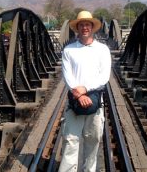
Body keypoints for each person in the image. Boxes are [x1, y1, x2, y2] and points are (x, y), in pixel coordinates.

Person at [59, 10, 111, 172]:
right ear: (77, 28)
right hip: (74, 101)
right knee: (70, 140)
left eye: (87, 24)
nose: (84, 27)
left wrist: (85, 89)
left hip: (95, 101)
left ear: (92, 27)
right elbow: (68, 77)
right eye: (81, 25)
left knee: (93, 140)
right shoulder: (69, 50)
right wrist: (79, 94)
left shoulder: (103, 50)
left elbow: (104, 76)